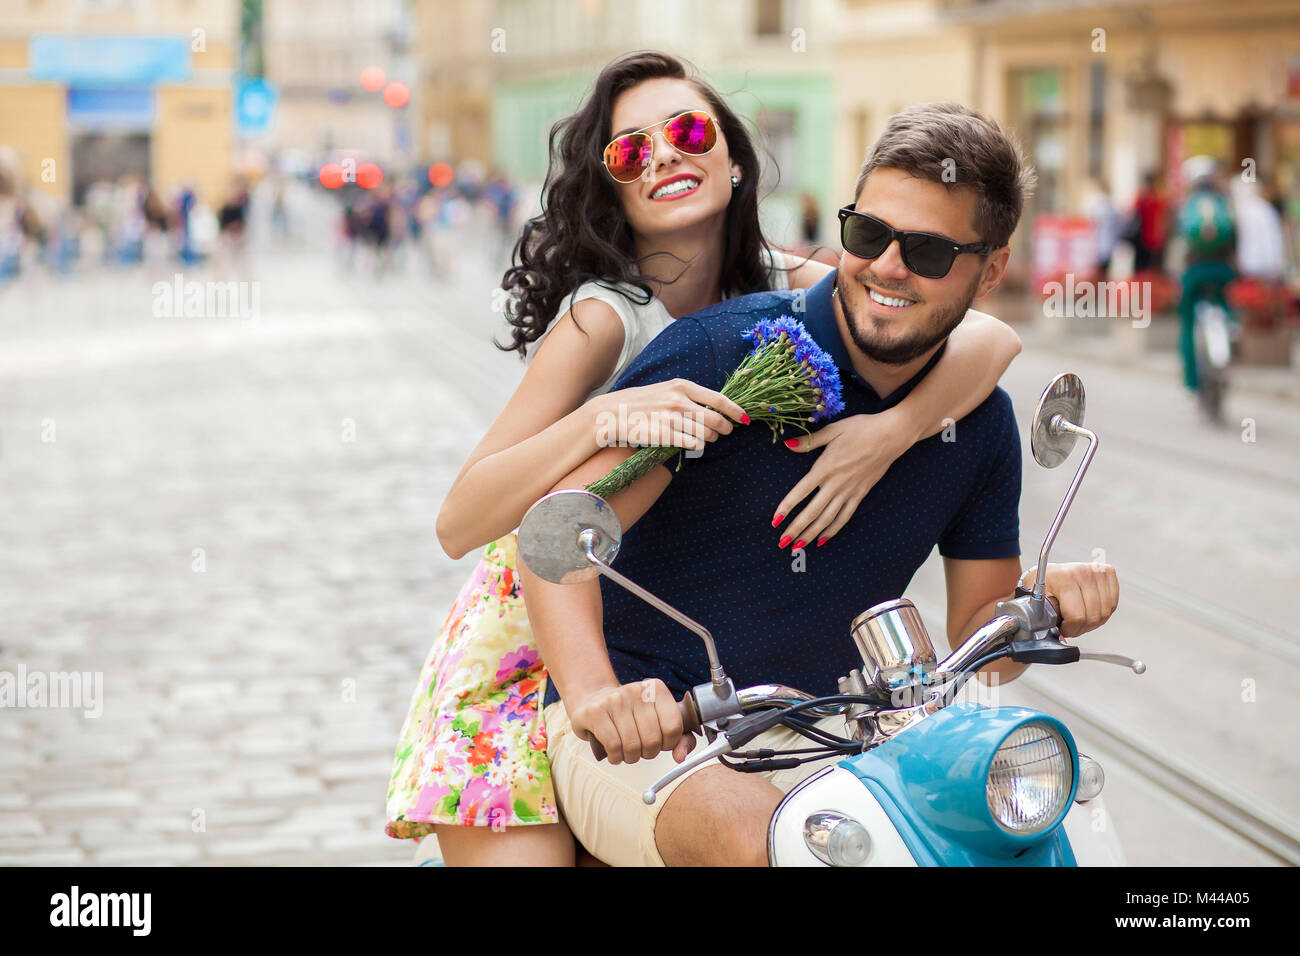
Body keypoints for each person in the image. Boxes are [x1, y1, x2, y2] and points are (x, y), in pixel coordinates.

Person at [385, 55, 1023, 867]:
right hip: (542, 609)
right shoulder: (604, 320)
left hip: (724, 670)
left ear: (732, 154)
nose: (663, 157)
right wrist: (602, 417)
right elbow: (463, 520)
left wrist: (890, 432)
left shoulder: (796, 280)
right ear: (609, 185)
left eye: (687, 132)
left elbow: (982, 337)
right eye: (629, 153)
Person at [519, 101, 1121, 868]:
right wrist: (598, 697)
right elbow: (561, 538)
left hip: (842, 736)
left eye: (929, 252)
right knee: (765, 840)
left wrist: (1048, 601)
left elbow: (982, 639)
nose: (888, 267)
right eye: (868, 235)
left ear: (992, 270)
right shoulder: (721, 351)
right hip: (660, 735)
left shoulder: (980, 427)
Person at [1175, 157, 1236, 392]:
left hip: (1195, 271)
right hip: (1223, 270)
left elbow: (1177, 239)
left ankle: (1192, 380)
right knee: (1226, 308)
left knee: (1188, 321)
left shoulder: (1187, 205)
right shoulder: (1224, 203)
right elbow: (1235, 237)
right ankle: (1231, 336)